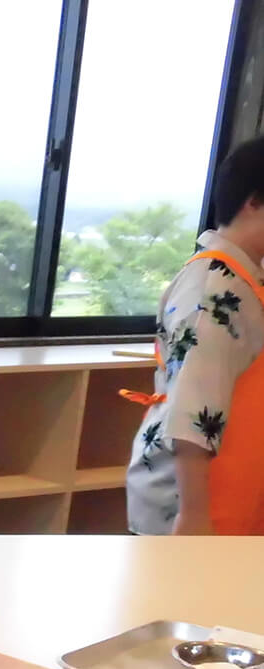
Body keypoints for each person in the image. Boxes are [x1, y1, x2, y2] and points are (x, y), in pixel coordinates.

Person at [125, 135, 264, 535]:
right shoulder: (215, 287)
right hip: (193, 504)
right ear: (253, 201)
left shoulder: (244, 280)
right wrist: (194, 517)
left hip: (230, 491)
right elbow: (194, 408)